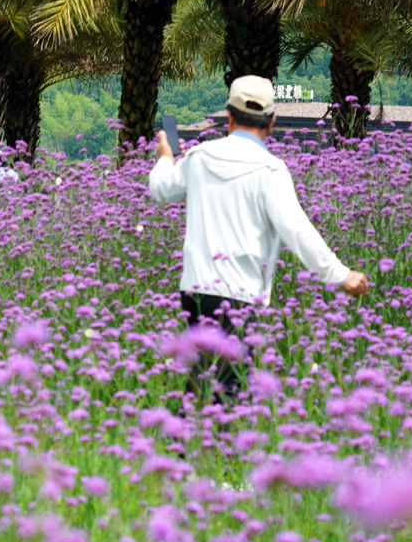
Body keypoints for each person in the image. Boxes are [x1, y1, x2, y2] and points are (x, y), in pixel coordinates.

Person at [146, 74, 369, 404]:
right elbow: (295, 228)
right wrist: (339, 274)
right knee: (226, 393)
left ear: (229, 116)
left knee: (205, 384)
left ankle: (183, 433)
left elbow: (162, 189)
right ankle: (193, 435)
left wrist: (166, 155)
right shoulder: (270, 171)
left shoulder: (199, 158)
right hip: (239, 298)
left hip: (195, 293)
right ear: (272, 121)